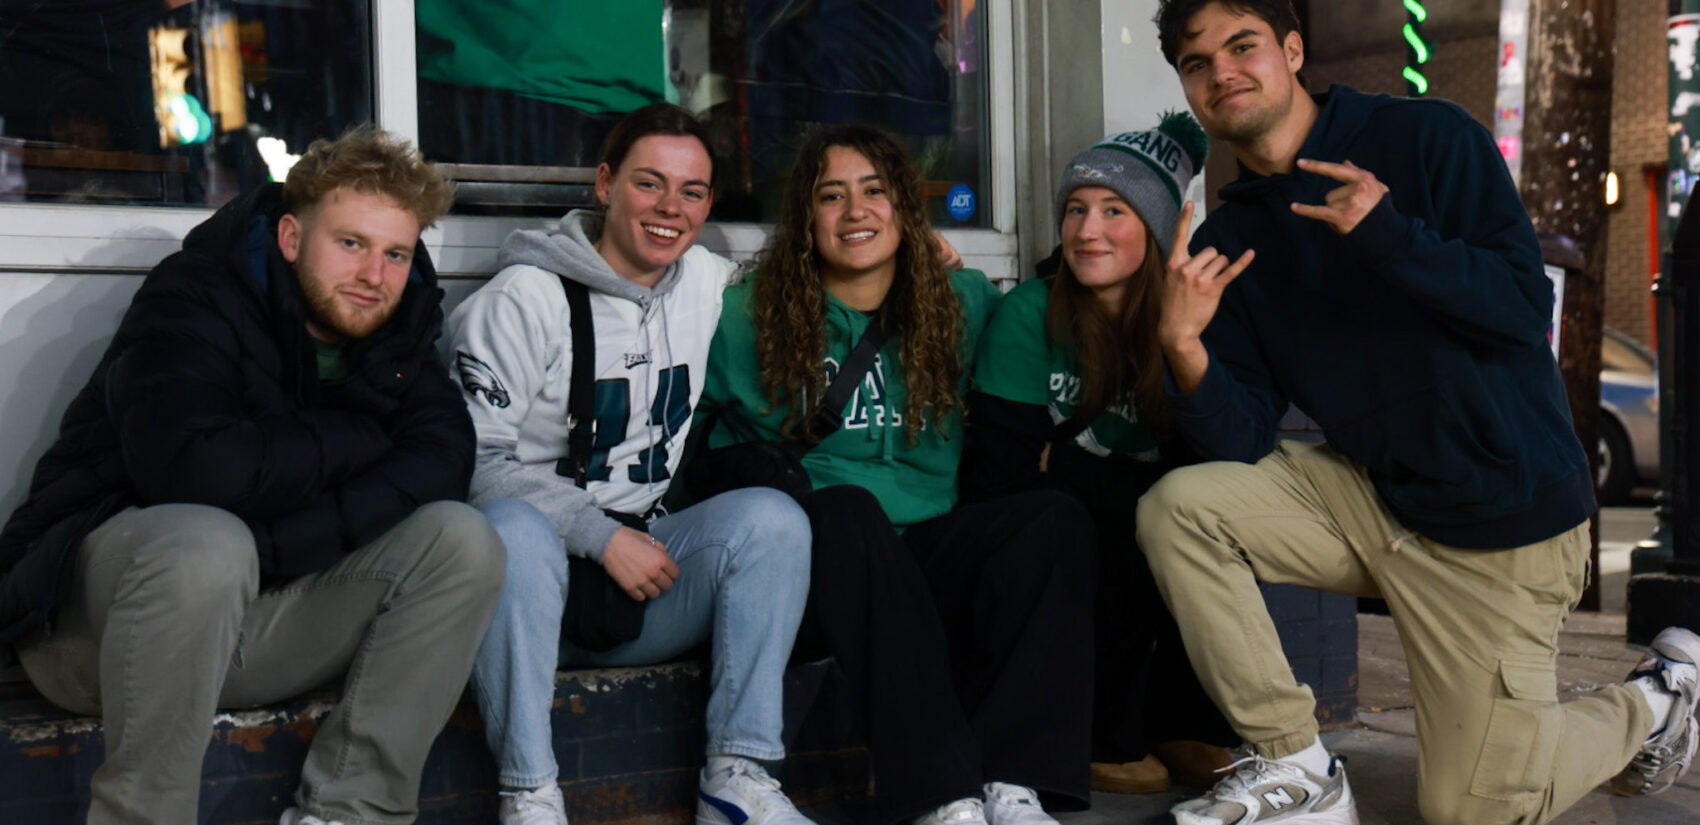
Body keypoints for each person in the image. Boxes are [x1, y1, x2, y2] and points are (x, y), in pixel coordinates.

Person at [1142, 2, 1700, 825]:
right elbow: (1241, 438)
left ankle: (1656, 700)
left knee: (1473, 809)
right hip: (1379, 500)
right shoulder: (1235, 236)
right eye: (1196, 62)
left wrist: (1390, 235)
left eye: (1242, 44)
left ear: (1293, 50)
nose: (1220, 71)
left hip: (1502, 521)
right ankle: (1299, 768)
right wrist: (1184, 346)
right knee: (1178, 509)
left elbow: (1518, 306)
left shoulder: (1427, 138)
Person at [0, 125, 506, 825]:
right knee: (207, 541)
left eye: (396, 253)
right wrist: (362, 436)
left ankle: (347, 812)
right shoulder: (195, 296)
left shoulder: (400, 329)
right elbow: (201, 471)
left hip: (251, 619)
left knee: (463, 540)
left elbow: (443, 460)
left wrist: (270, 547)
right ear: (292, 237)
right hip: (89, 635)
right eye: (351, 243)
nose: (374, 274)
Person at [698, 123, 1095, 825]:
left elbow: (1066, 309)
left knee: (1049, 518)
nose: (856, 212)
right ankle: (941, 793)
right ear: (805, 218)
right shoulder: (744, 314)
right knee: (848, 510)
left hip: (919, 553)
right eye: (832, 195)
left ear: (906, 208)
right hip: (817, 565)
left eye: (876, 192)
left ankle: (1012, 780)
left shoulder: (961, 303)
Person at [446, 103, 815, 825]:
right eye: (650, 184)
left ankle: (737, 777)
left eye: (693, 192)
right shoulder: (523, 298)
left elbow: (815, 271)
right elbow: (467, 462)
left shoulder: (706, 282)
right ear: (605, 184)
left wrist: (922, 255)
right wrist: (596, 533)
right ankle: (530, 794)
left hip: (642, 578)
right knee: (511, 530)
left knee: (773, 521)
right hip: (520, 602)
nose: (671, 209)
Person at [961, 115, 1236, 796]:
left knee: (1194, 520)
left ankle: (1182, 721)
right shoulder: (1032, 311)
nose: (1087, 230)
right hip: (1051, 533)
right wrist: (1102, 480)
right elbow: (1005, 473)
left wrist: (1180, 347)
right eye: (1076, 209)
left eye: (1115, 210)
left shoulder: (1190, 313)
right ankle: (1099, 737)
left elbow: (1219, 455)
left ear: (1157, 225)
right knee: (1095, 527)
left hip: (1136, 512)